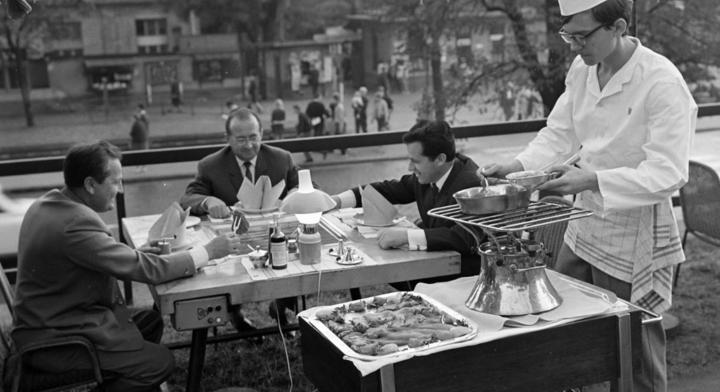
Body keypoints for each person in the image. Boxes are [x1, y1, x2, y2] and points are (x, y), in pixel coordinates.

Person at [480, 1, 696, 391]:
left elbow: (668, 173)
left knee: (634, 344)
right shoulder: (582, 69)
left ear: (617, 26)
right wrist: (516, 165)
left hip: (634, 225)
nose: (574, 46)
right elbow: (560, 133)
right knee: (575, 327)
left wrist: (592, 180)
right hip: (585, 222)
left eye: (582, 35)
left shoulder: (661, 81)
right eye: (569, 35)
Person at [10, 140, 243, 392]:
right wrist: (207, 252)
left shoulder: (52, 203)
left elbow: (88, 257)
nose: (120, 190)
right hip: (59, 341)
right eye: (115, 182)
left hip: (51, 323)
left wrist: (133, 253)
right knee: (160, 362)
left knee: (150, 322)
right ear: (90, 184)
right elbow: (147, 270)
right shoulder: (75, 224)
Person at [179, 108, 301, 329]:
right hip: (234, 241)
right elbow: (187, 198)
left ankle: (281, 307)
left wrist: (295, 194)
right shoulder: (210, 165)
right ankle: (236, 315)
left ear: (262, 134)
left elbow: (303, 184)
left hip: (276, 235)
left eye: (253, 137)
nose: (248, 145)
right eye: (241, 139)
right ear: (228, 139)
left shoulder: (282, 158)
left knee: (301, 257)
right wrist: (208, 202)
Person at [331, 120, 484, 287]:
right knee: (385, 270)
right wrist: (336, 201)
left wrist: (405, 236)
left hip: (465, 277)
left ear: (440, 159)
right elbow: (388, 189)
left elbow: (464, 238)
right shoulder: (431, 174)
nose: (410, 167)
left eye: (416, 161)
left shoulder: (471, 185)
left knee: (388, 272)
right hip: (437, 264)